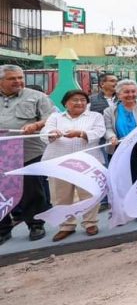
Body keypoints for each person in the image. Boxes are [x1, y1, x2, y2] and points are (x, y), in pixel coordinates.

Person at [42, 90, 105, 241]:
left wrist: (81, 133)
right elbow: (44, 132)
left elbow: (99, 132)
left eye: (83, 100)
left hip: (86, 162)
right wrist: (52, 133)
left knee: (89, 194)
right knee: (60, 196)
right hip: (59, 162)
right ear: (65, 103)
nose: (79, 103)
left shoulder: (95, 116)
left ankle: (90, 223)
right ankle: (66, 226)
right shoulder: (56, 117)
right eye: (74, 100)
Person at [0, 65, 53, 245]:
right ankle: (3, 228)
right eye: (12, 78)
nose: (18, 81)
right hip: (1, 153)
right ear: (1, 81)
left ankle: (35, 224)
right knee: (2, 191)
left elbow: (52, 117)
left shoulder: (36, 96)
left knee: (33, 190)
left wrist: (37, 125)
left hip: (28, 151)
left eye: (20, 78)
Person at [103, 79, 137, 182]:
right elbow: (107, 128)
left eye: (133, 91)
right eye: (126, 92)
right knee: (119, 179)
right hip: (117, 148)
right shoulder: (109, 111)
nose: (131, 94)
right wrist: (111, 137)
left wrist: (131, 138)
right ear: (119, 94)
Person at [89, 72, 118, 212]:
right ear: (102, 84)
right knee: (103, 169)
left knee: (119, 169)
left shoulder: (123, 97)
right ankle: (105, 200)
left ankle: (119, 198)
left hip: (121, 140)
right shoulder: (92, 101)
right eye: (112, 81)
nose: (115, 83)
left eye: (116, 81)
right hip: (102, 141)